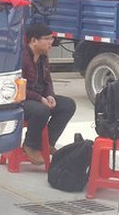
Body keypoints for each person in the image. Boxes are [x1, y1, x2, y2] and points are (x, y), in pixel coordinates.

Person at [21, 22, 77, 164]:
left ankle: (48, 142)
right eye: (47, 39)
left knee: (68, 105)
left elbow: (47, 82)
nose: (51, 42)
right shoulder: (21, 58)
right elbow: (18, 87)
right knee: (41, 110)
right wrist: (40, 98)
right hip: (21, 100)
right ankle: (30, 145)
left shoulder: (43, 57)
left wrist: (50, 95)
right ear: (34, 41)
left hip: (39, 98)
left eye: (51, 38)